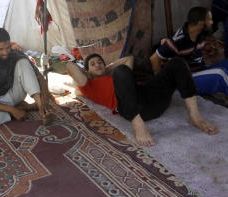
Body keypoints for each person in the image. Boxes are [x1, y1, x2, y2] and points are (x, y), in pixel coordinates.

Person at [66, 53, 217, 147]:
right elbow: (69, 65)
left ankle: (195, 116)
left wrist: (108, 68)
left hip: (149, 94)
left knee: (177, 62)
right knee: (122, 71)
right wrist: (90, 74)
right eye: (93, 64)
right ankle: (139, 126)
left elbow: (129, 58)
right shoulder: (88, 84)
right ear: (87, 71)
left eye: (100, 62)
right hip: (133, 108)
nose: (98, 64)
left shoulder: (114, 73)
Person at [0, 28, 53, 128]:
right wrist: (12, 110)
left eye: (7, 47)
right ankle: (23, 108)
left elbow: (40, 78)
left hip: (15, 94)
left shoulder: (16, 55)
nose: (5, 52)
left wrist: (44, 103)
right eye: (0, 49)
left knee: (23, 62)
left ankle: (40, 107)